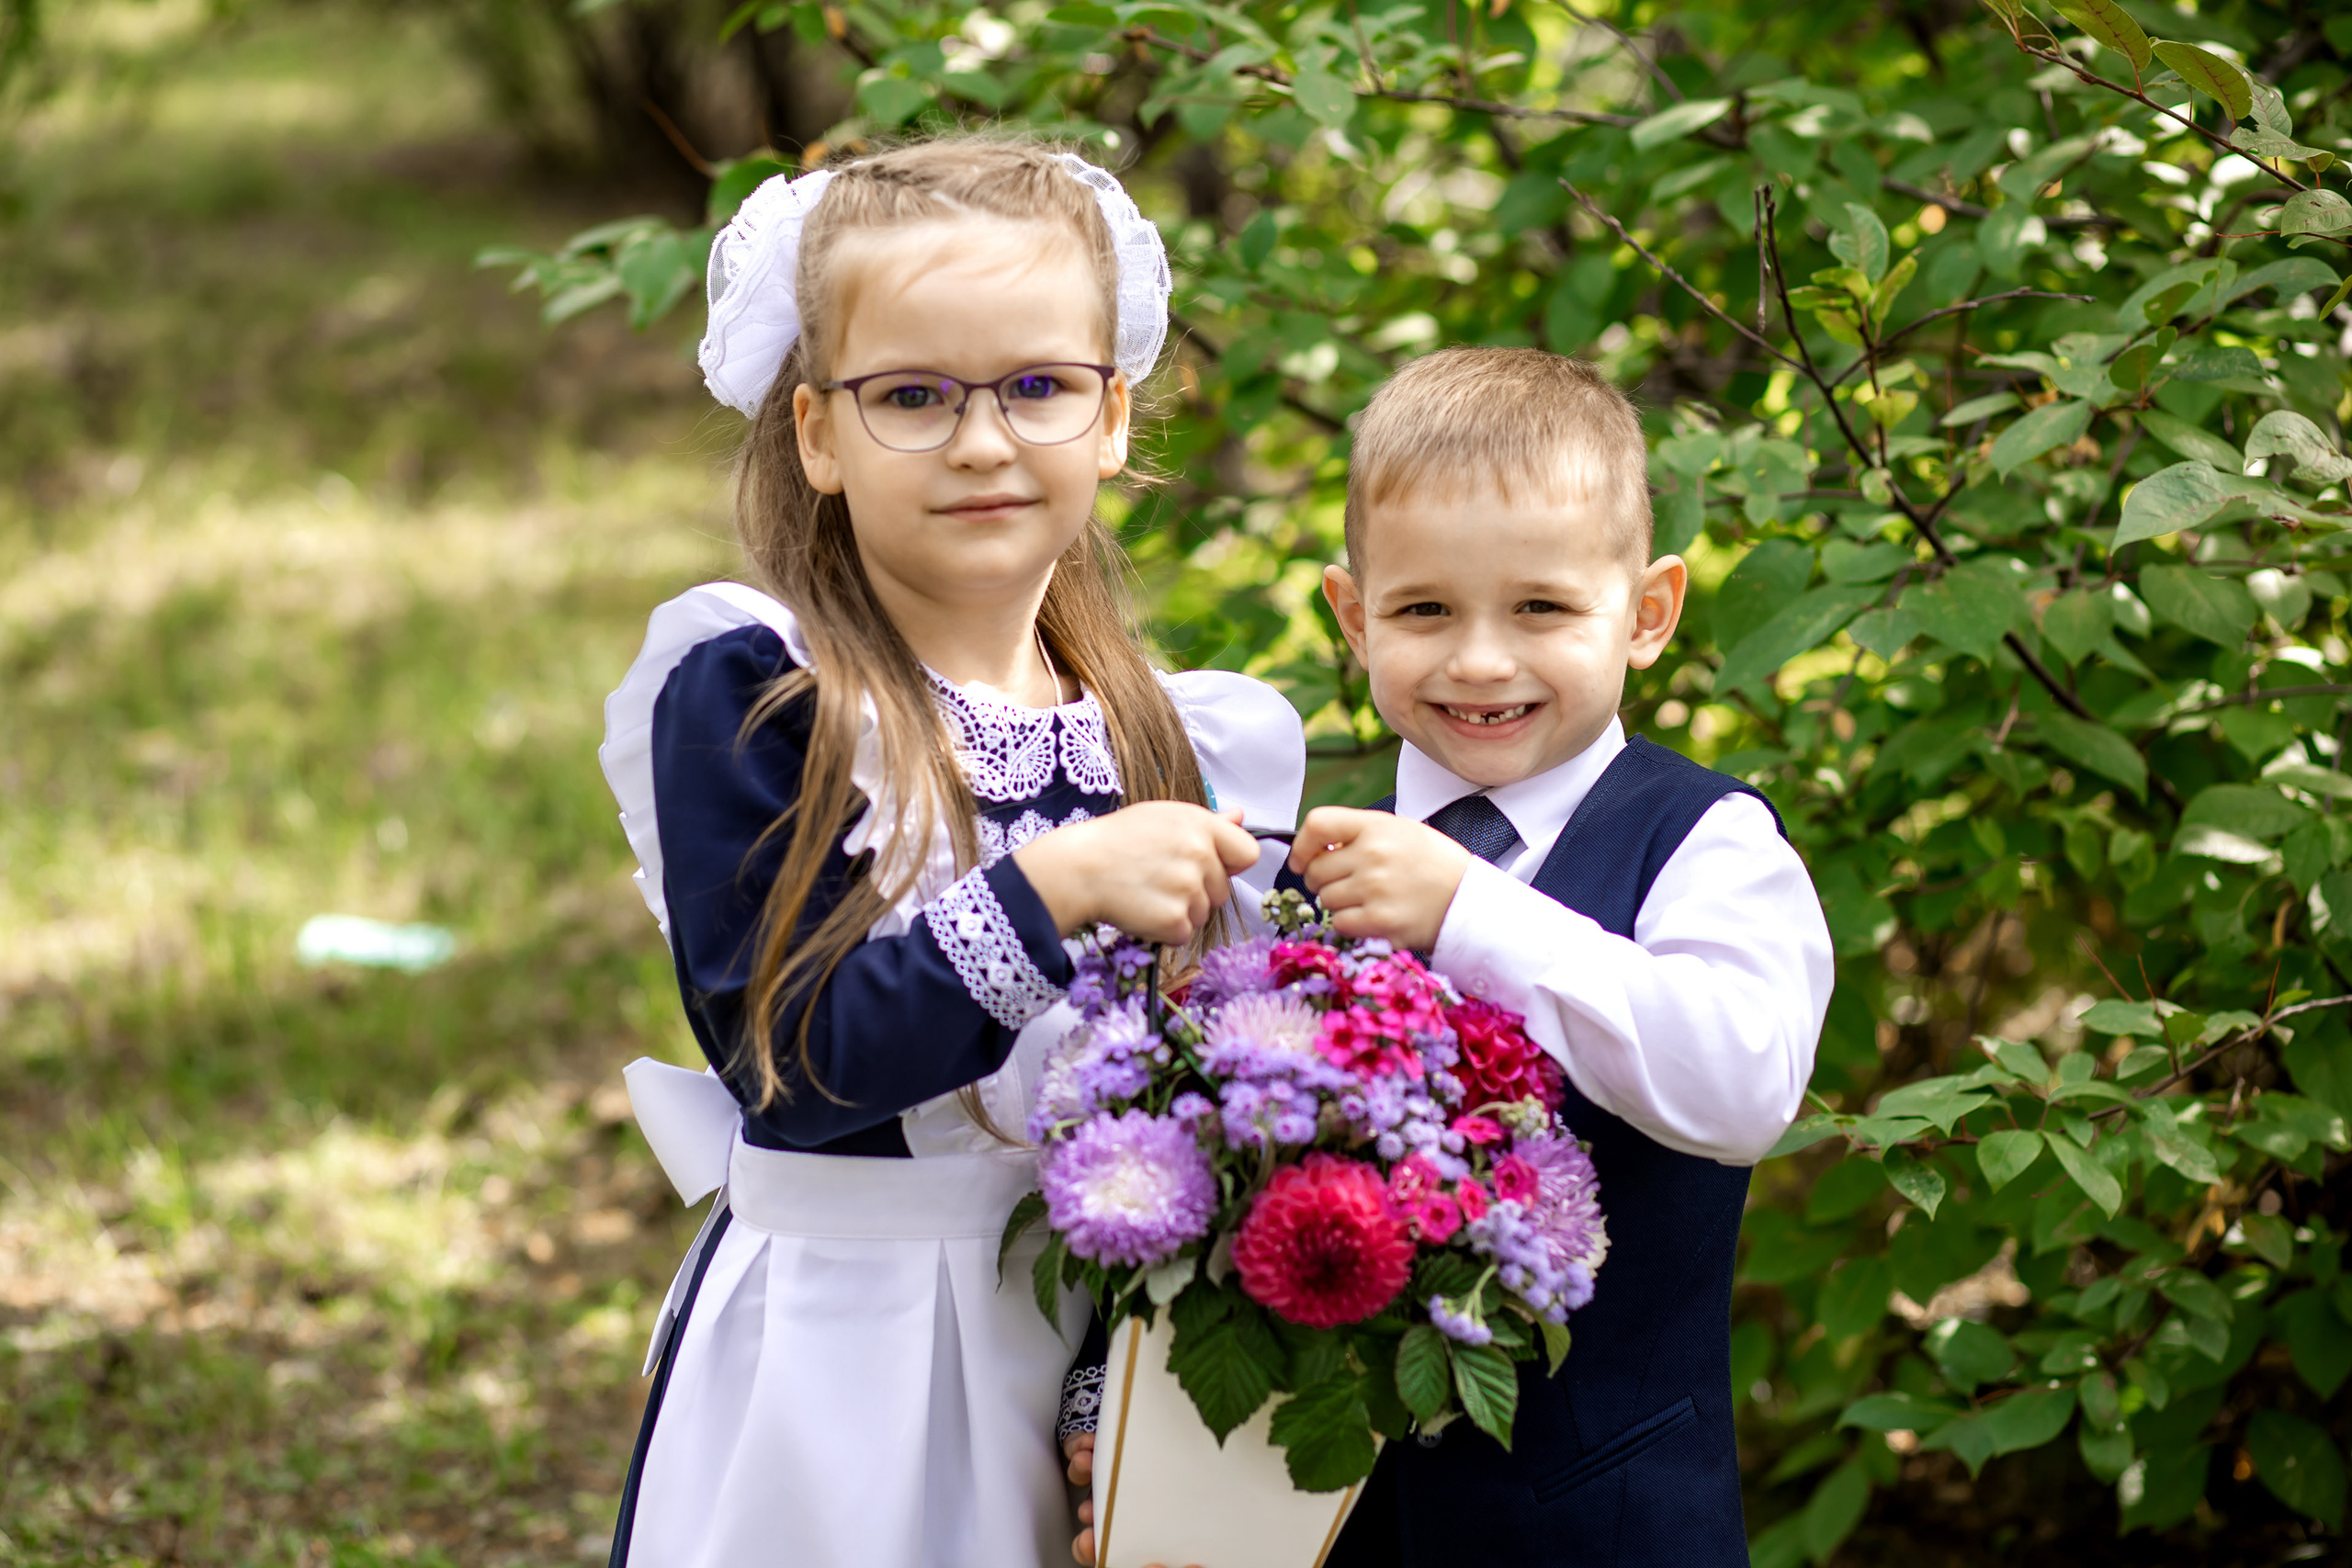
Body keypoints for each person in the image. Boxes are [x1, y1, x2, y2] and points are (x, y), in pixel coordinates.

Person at [598, 139, 1304, 1568]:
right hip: (843, 1364)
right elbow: (788, 1066)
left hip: (1096, 1348)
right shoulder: (766, 693)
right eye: (913, 396)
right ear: (817, 433)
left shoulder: (1176, 735)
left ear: (1112, 415)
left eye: (1038, 387)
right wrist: (1049, 893)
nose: (984, 442)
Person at [1289, 346, 1833, 1565]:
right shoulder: (1305, 866)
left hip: (1606, 1520)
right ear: (1354, 615)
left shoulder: (1706, 842)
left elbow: (1743, 1084)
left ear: (1647, 615)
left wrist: (1471, 914)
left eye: (1540, 608)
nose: (1481, 660)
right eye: (1425, 611)